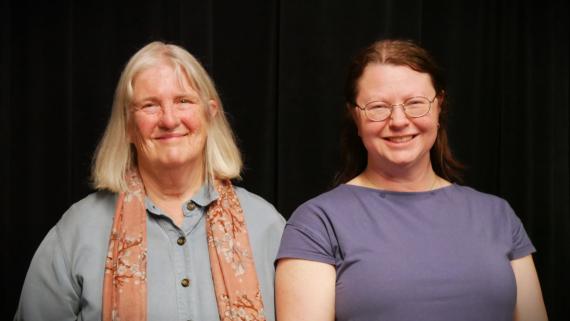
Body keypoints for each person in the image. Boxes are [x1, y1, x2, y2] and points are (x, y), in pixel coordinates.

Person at [275, 39, 548, 321]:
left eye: (415, 103)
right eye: (378, 106)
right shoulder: (316, 222)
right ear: (356, 117)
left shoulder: (497, 215)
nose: (398, 120)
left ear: (439, 106)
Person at [15, 41, 285, 321]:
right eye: (150, 105)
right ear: (128, 126)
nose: (169, 120)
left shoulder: (267, 226)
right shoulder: (77, 231)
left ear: (210, 113)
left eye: (183, 101)